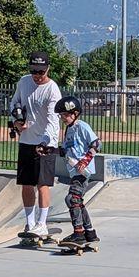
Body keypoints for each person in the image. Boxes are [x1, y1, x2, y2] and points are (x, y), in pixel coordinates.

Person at [10, 51, 62, 236]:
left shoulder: (52, 90)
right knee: (26, 184)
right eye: (34, 72)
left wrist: (45, 142)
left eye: (41, 72)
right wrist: (16, 120)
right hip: (26, 141)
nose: (37, 76)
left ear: (48, 69)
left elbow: (53, 121)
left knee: (42, 184)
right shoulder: (24, 82)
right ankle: (30, 223)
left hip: (45, 143)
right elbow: (14, 102)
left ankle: (42, 223)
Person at [38, 96, 101, 244]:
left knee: (72, 199)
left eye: (66, 115)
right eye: (61, 116)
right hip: (74, 172)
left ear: (76, 113)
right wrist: (48, 150)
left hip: (83, 172)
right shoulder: (69, 130)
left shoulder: (82, 126)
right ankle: (90, 232)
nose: (63, 118)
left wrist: (85, 161)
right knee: (77, 201)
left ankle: (78, 233)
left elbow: (97, 144)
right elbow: (65, 151)